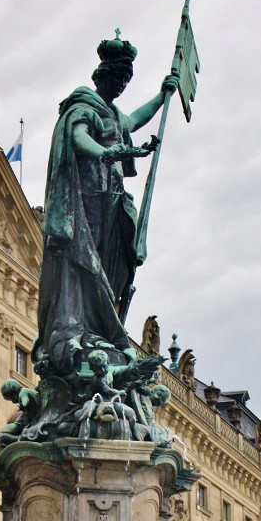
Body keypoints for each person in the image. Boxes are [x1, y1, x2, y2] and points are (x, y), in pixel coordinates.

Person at [38, 32, 178, 375]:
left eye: (125, 82)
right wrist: (107, 153)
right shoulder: (84, 105)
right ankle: (78, 327)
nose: (120, 87)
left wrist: (162, 96)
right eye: (116, 79)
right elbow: (77, 136)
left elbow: (133, 121)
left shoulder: (113, 113)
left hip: (110, 200)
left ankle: (98, 328)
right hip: (86, 200)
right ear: (102, 76)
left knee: (114, 263)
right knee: (83, 264)